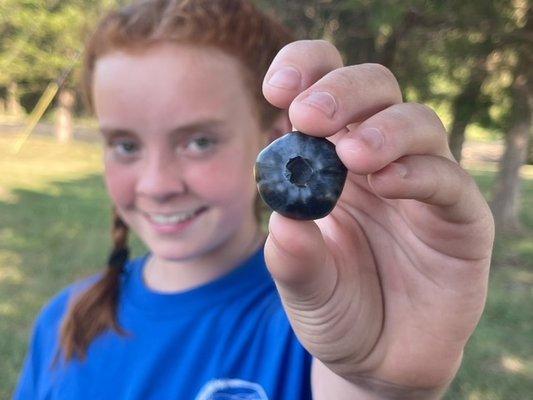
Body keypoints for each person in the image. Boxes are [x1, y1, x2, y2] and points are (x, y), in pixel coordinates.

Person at [14, 0, 495, 399]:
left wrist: (379, 387)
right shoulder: (64, 322)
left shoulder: (323, 324)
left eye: (199, 141)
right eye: (125, 145)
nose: (157, 184)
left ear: (276, 136)